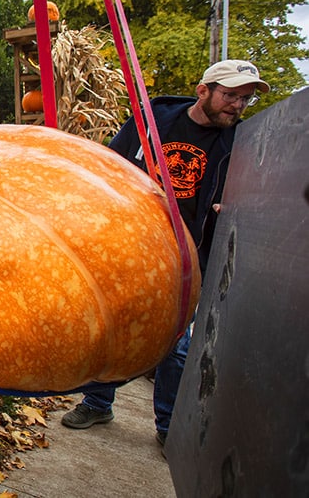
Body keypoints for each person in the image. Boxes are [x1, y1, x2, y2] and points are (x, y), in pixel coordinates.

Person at [61, 59, 269, 448]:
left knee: (175, 345)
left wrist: (233, 207)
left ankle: (168, 426)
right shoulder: (154, 120)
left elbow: (253, 195)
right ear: (204, 90)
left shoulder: (240, 143)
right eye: (231, 96)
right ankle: (97, 402)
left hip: (189, 257)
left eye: (245, 99)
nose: (238, 106)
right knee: (116, 325)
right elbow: (110, 163)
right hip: (132, 246)